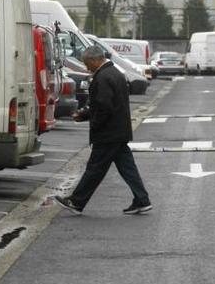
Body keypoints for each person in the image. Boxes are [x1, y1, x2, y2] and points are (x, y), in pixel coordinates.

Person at [54, 45, 152, 215]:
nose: (86, 67)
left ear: (95, 60)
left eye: (87, 63)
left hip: (107, 133)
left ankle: (77, 201)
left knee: (95, 168)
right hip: (119, 131)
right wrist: (85, 115)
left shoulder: (103, 77)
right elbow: (106, 103)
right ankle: (142, 200)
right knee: (127, 168)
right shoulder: (115, 73)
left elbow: (103, 106)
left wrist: (94, 123)